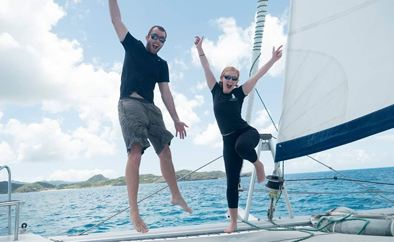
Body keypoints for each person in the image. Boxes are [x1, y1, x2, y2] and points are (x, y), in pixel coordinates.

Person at [108, 0, 192, 233]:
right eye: (155, 37)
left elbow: (166, 93)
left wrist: (176, 118)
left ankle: (175, 195)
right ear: (147, 36)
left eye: (162, 40)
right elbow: (116, 20)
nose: (158, 42)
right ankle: (134, 211)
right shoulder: (133, 46)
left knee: (165, 150)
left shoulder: (162, 64)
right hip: (130, 103)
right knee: (136, 152)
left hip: (151, 107)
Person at [194, 36, 282, 233]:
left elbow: (257, 76)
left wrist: (273, 60)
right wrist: (200, 48)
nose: (231, 81)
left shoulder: (240, 92)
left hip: (246, 133)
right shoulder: (215, 90)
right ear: (222, 79)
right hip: (228, 141)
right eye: (228, 77)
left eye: (234, 78)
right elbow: (206, 67)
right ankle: (233, 222)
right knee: (231, 182)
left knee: (241, 147)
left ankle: (257, 164)